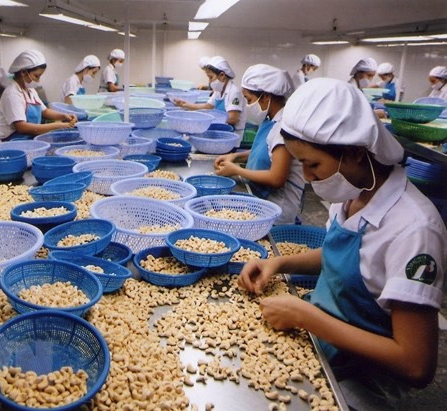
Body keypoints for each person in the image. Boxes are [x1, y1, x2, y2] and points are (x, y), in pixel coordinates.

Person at [239, 78, 446, 410]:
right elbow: (343, 256)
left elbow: (416, 364)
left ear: (354, 153)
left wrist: (307, 318)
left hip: (363, 383)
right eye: (301, 164)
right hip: (321, 348)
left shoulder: (414, 229)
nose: (307, 177)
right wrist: (278, 263)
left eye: (313, 164)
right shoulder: (350, 191)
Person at [214, 64, 304, 224]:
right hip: (262, 201)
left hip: (277, 211)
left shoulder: (283, 128)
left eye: (249, 99)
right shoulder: (269, 119)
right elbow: (266, 151)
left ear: (266, 97)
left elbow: (276, 178)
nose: (247, 105)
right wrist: (235, 156)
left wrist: (236, 170)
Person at [0, 49, 76, 141]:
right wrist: (56, 126)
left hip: (30, 139)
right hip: (14, 142)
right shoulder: (12, 94)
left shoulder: (30, 90)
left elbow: (45, 111)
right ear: (23, 72)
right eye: (36, 76)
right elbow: (21, 127)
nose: (38, 80)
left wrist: (64, 116)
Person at [174, 56, 246, 133]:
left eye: (211, 77)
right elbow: (207, 106)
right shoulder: (219, 91)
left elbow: (233, 119)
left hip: (232, 133)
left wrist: (209, 120)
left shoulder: (234, 92)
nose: (209, 81)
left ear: (222, 75)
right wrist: (185, 105)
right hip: (221, 129)